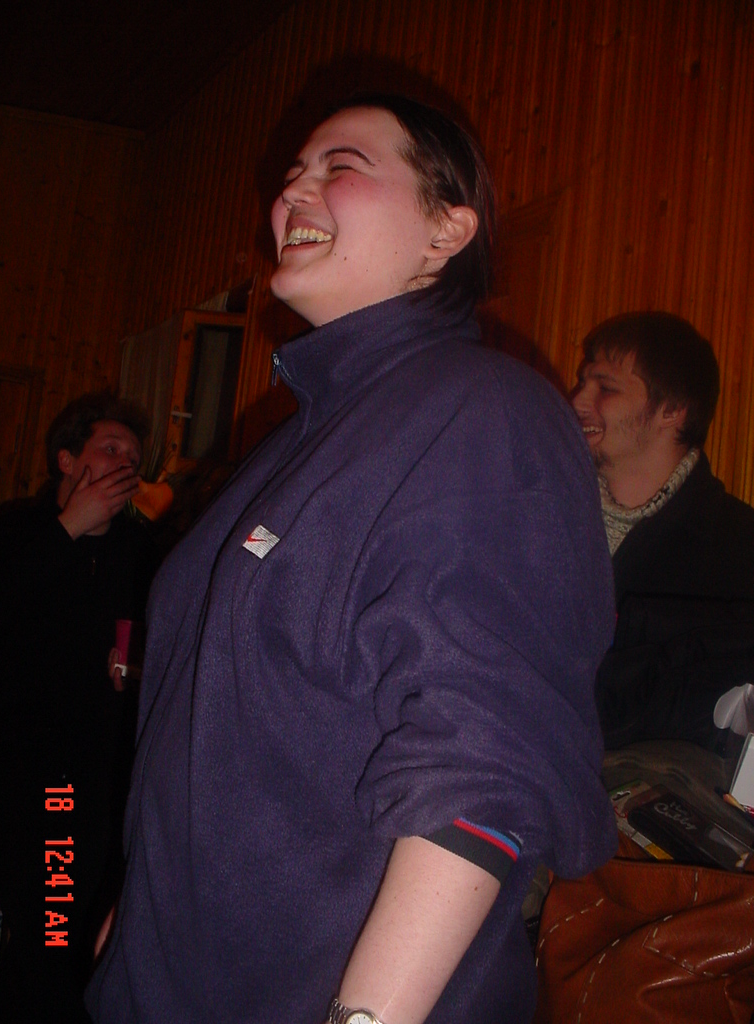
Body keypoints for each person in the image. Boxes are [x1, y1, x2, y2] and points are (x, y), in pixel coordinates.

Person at [86, 95, 615, 1024]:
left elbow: (487, 761)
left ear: (447, 231)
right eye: (293, 171)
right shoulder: (295, 442)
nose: (294, 189)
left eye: (341, 165)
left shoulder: (484, 412)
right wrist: (139, 913)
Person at [0, 392, 158, 1023]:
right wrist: (69, 527)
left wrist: (139, 673)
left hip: (111, 780)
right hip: (37, 777)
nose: (124, 463)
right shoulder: (17, 529)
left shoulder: (144, 550)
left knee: (88, 940)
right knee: (48, 935)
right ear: (66, 458)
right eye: (110, 448)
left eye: (133, 455)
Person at [571, 312, 754, 749]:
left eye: (606, 387)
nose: (576, 401)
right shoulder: (538, 517)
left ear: (672, 410)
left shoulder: (741, 549)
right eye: (582, 382)